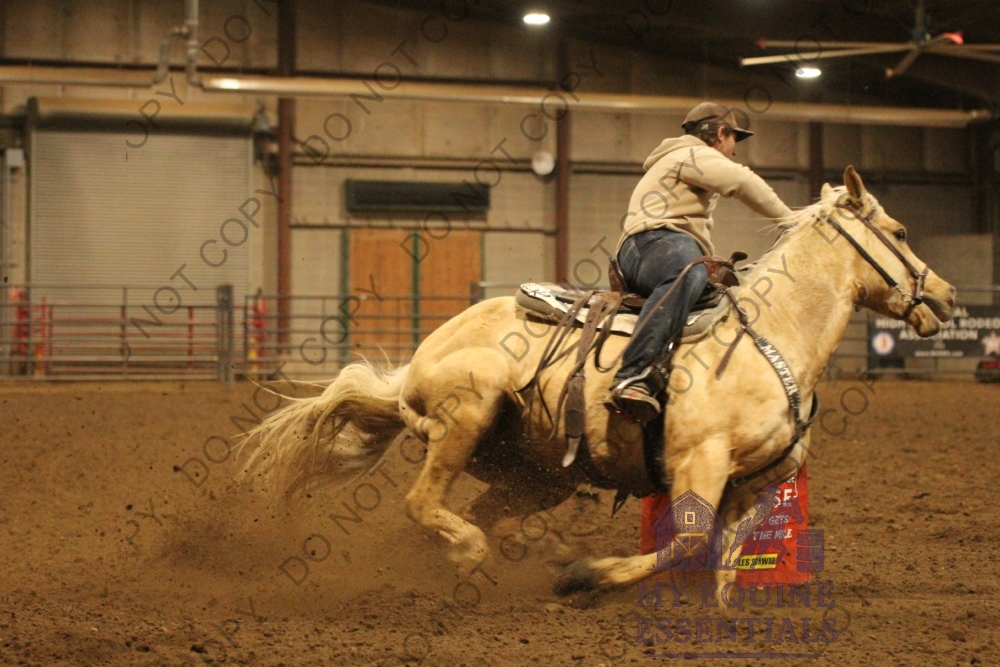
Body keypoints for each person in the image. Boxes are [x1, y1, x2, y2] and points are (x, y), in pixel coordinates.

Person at [610, 102, 794, 422]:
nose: (735, 150)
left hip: (656, 247)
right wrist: (790, 220)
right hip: (652, 244)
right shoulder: (692, 155)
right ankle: (632, 375)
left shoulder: (680, 159)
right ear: (721, 134)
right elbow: (742, 181)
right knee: (690, 273)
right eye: (734, 139)